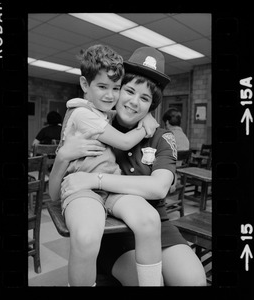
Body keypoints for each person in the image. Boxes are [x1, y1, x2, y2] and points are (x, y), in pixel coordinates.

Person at [50, 46, 207, 286]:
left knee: (193, 281)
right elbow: (57, 190)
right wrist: (62, 157)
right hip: (111, 227)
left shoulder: (160, 135)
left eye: (144, 99)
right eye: (128, 91)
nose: (133, 102)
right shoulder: (97, 120)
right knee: (137, 276)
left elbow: (158, 188)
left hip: (151, 219)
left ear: (152, 105)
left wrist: (96, 179)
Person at [54, 44, 162, 287]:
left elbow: (121, 114)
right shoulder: (82, 114)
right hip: (83, 189)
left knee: (149, 219)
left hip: (111, 188)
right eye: (102, 87)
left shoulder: (101, 113)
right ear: (84, 85)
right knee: (86, 236)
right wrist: (143, 127)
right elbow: (123, 141)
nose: (111, 96)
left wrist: (145, 113)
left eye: (116, 88)